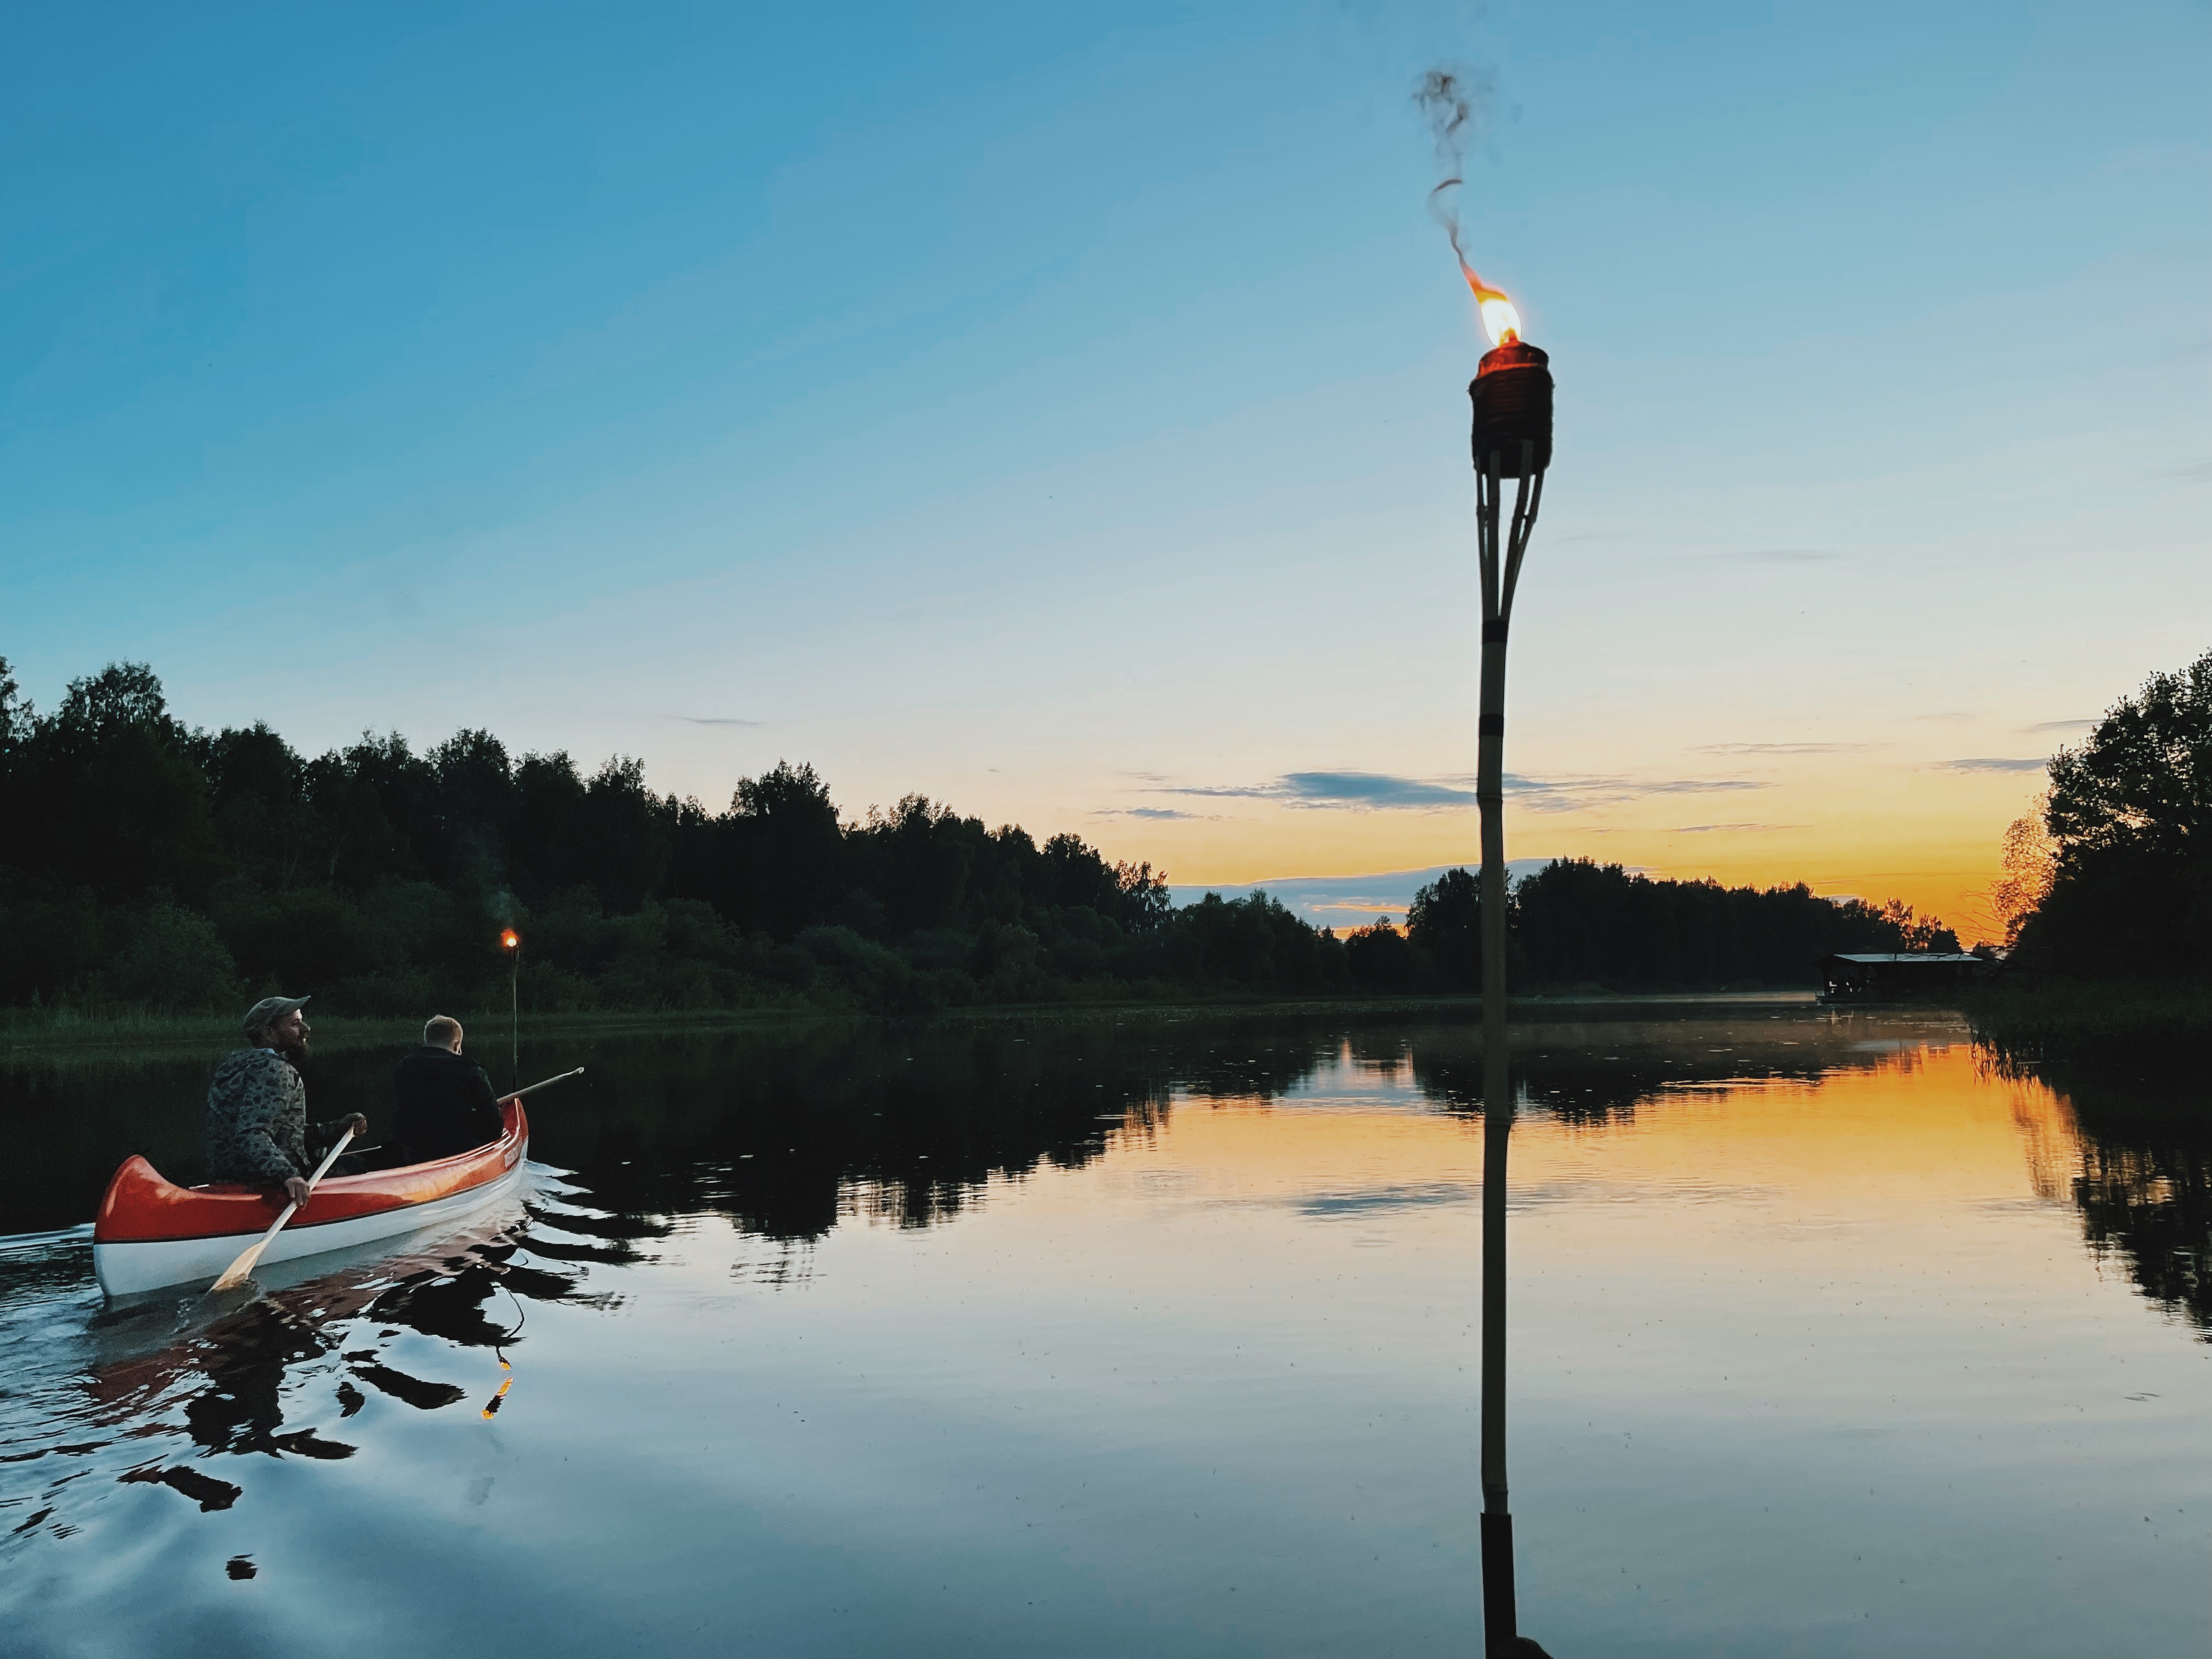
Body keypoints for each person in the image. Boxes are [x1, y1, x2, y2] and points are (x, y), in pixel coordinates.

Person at [206, 995, 368, 1206]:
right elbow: (251, 1135)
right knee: (360, 1166)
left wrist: (337, 1129)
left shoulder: (235, 1067)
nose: (306, 1028)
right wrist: (288, 1175)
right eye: (295, 1023)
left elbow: (281, 1132)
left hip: (233, 1178)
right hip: (266, 1182)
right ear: (270, 1033)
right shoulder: (274, 1071)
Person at [392, 1015, 505, 1164]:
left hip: (410, 1152)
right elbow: (495, 1127)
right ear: (456, 1044)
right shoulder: (471, 1070)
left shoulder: (403, 1067)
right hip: (456, 1151)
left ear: (427, 1042)